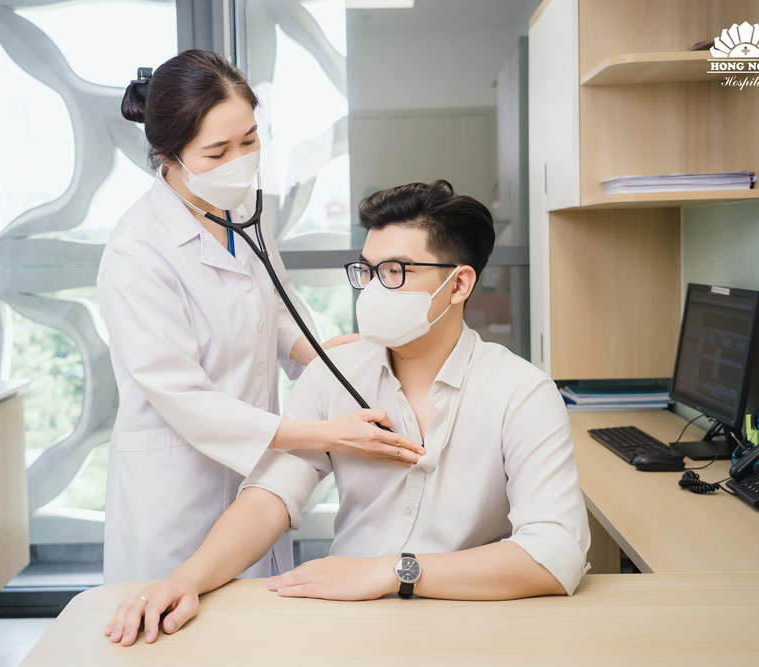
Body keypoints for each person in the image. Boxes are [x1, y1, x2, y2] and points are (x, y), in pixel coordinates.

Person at [104, 180, 591, 646]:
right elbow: (270, 496)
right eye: (368, 271)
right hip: (346, 623)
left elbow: (554, 553)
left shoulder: (522, 392)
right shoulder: (333, 375)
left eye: (396, 272)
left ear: (459, 284)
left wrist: (390, 571)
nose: (374, 290)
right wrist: (186, 579)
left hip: (470, 619)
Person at [97, 50, 424, 583]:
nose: (239, 162)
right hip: (177, 489)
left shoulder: (242, 209)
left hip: (253, 472)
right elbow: (181, 398)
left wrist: (319, 355)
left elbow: (273, 305)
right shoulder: (136, 252)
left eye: (249, 141)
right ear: (168, 157)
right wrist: (322, 433)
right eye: (217, 151)